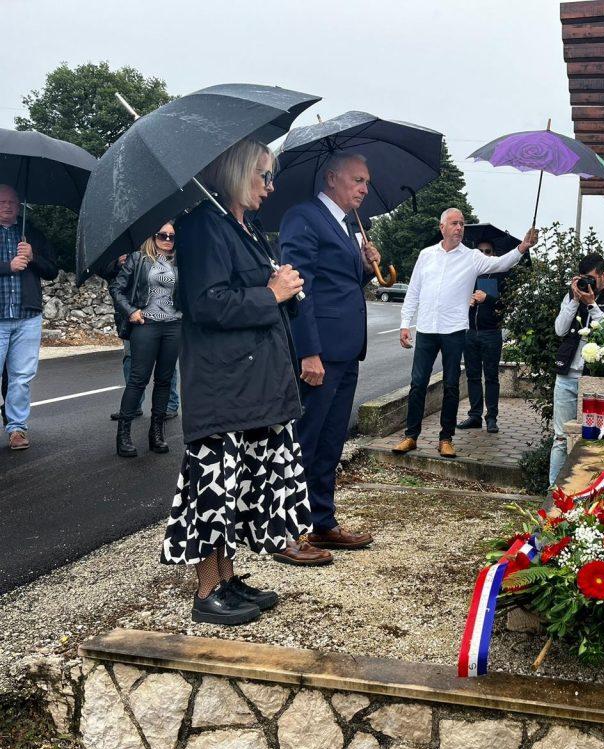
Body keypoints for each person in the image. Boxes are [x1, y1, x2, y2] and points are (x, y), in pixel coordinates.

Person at [161, 138, 309, 625]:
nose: (270, 186)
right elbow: (207, 304)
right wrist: (270, 293)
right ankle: (207, 591)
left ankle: (226, 579)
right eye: (264, 176)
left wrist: (282, 287)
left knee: (234, 487)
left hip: (251, 382)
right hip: (220, 384)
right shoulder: (203, 225)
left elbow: (251, 290)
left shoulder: (244, 227)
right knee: (212, 486)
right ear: (237, 172)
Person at [278, 152, 376, 559]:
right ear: (332, 178)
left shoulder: (346, 227)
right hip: (320, 352)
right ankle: (287, 529)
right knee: (305, 439)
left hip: (347, 351)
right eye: (358, 180)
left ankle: (322, 522)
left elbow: (341, 283)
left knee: (332, 440)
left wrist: (366, 266)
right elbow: (300, 290)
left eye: (367, 182)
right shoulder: (304, 217)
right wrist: (309, 351)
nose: (364, 189)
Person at [393, 210, 536, 458]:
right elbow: (414, 291)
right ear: (442, 227)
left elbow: (501, 263)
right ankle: (411, 436)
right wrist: (405, 324)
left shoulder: (472, 257)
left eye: (462, 224)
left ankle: (445, 439)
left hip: (454, 331)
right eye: (454, 223)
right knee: (417, 384)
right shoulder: (426, 255)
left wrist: (523, 246)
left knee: (451, 385)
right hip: (426, 329)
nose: (459, 228)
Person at [548, 254, 604, 487]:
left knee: (595, 437)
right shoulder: (572, 296)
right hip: (567, 377)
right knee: (561, 437)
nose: (588, 284)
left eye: (592, 278)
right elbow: (560, 330)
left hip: (596, 380)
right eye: (584, 279)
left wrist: (592, 305)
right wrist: (575, 300)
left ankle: (586, 488)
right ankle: (554, 490)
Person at [110, 223, 182, 458]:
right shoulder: (138, 258)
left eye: (172, 236)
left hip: (173, 325)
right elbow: (116, 288)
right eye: (163, 235)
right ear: (153, 236)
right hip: (146, 324)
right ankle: (124, 435)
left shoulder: (180, 261)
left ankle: (156, 434)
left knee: (164, 380)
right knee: (138, 379)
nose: (168, 239)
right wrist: (131, 311)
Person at [0, 184, 58, 451]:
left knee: (21, 377)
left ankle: (17, 428)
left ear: (19, 205)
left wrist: (33, 257)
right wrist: (7, 266)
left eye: (12, 202)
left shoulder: (31, 233)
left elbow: (51, 271)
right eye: (2, 202)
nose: (7, 206)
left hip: (27, 316)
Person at [457, 239, 510, 434]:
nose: (484, 254)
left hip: (491, 333)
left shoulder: (501, 276)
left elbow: (507, 304)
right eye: (480, 251)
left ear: (493, 254)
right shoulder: (468, 275)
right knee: (472, 375)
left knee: (491, 376)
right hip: (470, 332)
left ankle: (492, 417)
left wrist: (487, 298)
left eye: (488, 251)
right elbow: (455, 299)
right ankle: (475, 416)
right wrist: (467, 302)